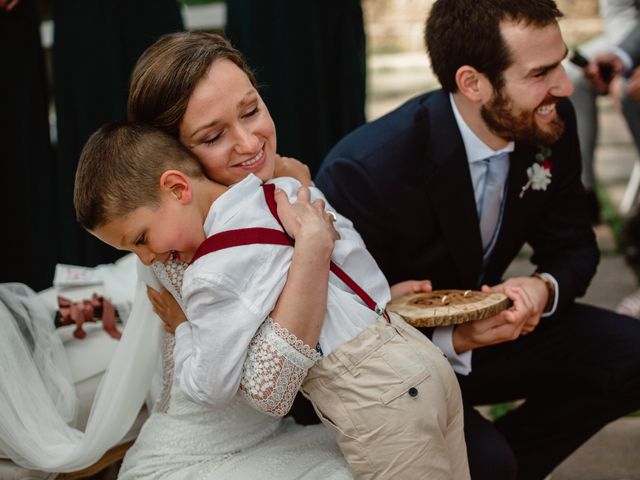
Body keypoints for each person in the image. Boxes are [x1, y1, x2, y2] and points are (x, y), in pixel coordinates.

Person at [315, 1, 640, 479]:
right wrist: (450, 337)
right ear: (473, 84)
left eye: (561, 63)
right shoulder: (366, 171)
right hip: (398, 365)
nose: (565, 87)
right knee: (488, 463)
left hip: (499, 337)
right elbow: (338, 333)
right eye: (541, 73)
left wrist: (543, 288)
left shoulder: (548, 123)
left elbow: (574, 246)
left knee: (633, 356)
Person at [74, 122, 469, 480]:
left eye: (141, 239)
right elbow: (370, 279)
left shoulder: (209, 275)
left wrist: (183, 327)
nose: (145, 259)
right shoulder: (283, 194)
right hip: (421, 359)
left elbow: (211, 388)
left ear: (178, 187)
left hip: (375, 399)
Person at [564, 0, 639, 223]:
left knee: (629, 91)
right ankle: (584, 195)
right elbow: (620, 8)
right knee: (571, 78)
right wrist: (623, 58)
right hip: (633, 34)